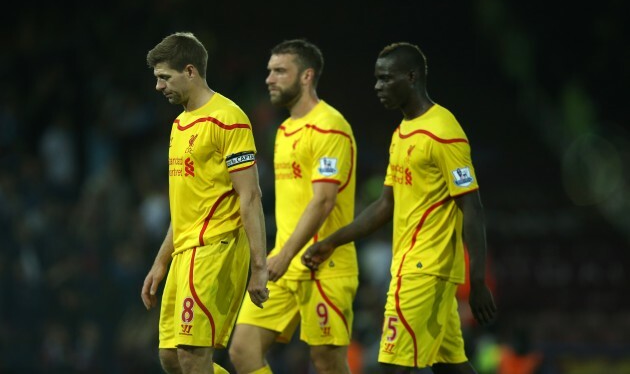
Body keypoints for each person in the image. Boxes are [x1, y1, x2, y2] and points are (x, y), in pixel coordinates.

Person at [302, 42, 497, 373]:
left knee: (393, 366)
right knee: (451, 366)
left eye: (386, 79)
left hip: (423, 270)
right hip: (417, 267)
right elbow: (384, 205)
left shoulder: (443, 131)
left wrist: (477, 280)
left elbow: (472, 204)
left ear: (412, 77)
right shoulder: (401, 134)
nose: (378, 87)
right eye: (377, 79)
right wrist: (334, 240)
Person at [140, 32, 269, 374]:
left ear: (191, 71)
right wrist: (160, 261)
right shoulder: (179, 125)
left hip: (217, 246)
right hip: (185, 251)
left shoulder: (229, 117)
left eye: (164, 77)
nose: (158, 87)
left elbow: (250, 196)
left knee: (192, 354)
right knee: (170, 358)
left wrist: (259, 267)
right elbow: (185, 206)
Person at [229, 39, 358, 374]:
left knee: (326, 362)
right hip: (283, 265)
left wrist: (284, 254)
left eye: (280, 71)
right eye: (269, 71)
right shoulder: (284, 130)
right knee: (243, 351)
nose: (270, 78)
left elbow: (324, 200)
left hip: (323, 265)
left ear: (306, 76)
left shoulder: (331, 125)